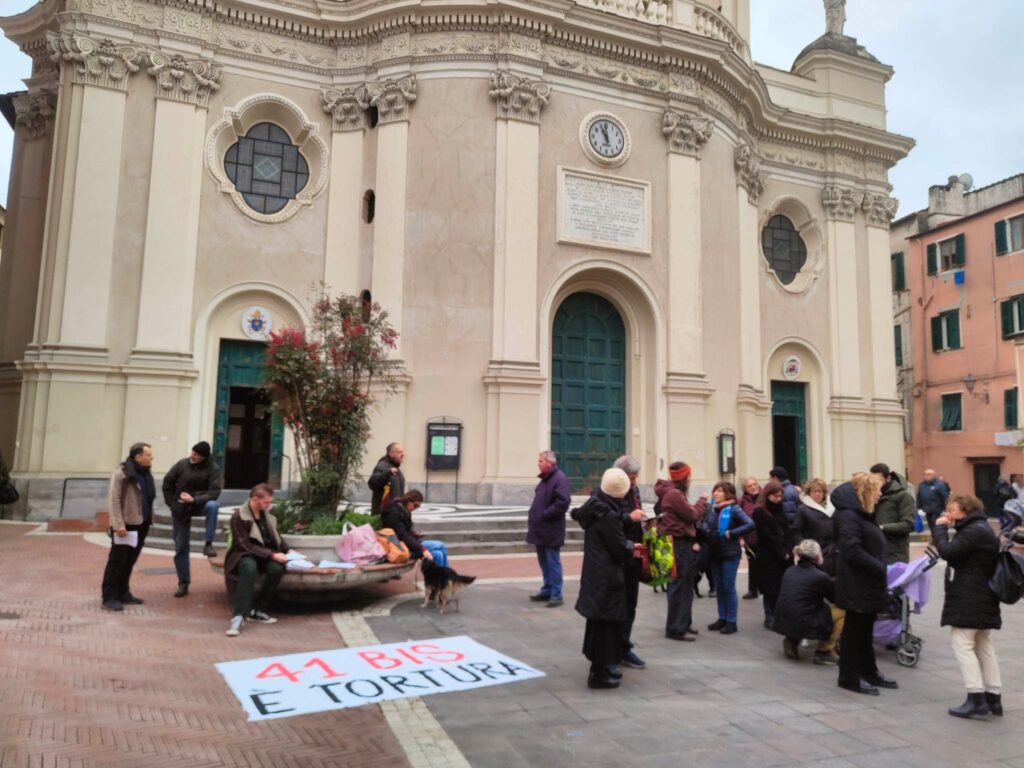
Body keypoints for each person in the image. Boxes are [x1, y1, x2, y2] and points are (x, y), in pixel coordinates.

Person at [933, 494, 1003, 718]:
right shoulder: (980, 528)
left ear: (966, 511)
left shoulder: (973, 531)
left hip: (970, 596)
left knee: (962, 643)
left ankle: (976, 698)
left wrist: (940, 529)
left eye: (952, 510)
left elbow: (948, 552)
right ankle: (993, 697)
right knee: (983, 644)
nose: (948, 514)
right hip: (982, 596)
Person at [832, 472, 896, 695]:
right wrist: (878, 567)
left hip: (867, 581)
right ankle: (849, 677)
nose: (880, 495)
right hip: (856, 582)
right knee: (854, 631)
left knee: (865, 630)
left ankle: (869, 672)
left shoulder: (862, 514)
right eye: (877, 490)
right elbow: (852, 549)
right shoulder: (848, 516)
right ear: (866, 492)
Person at [572, 467, 635, 689]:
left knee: (598, 623)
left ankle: (603, 667)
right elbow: (618, 547)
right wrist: (632, 546)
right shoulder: (608, 515)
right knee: (606, 626)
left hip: (594, 573)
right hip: (607, 577)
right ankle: (598, 674)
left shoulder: (594, 506)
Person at [224, 484, 297, 637]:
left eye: (270, 502)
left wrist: (288, 550)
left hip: (265, 553)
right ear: (255, 499)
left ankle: (259, 609)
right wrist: (272, 555)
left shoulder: (266, 515)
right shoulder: (238, 517)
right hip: (244, 554)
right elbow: (244, 545)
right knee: (249, 568)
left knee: (277, 568)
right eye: (266, 502)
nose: (269, 505)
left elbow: (275, 536)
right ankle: (239, 615)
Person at [162, 441, 223, 598]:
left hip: (198, 504)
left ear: (204, 457)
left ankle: (208, 543)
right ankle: (183, 582)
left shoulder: (213, 469)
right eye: (192, 452)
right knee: (181, 546)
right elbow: (167, 482)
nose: (193, 456)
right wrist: (172, 504)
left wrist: (194, 500)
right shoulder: (182, 464)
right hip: (180, 507)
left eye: (197, 455)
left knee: (213, 506)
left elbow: (214, 492)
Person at [101, 443, 157, 611]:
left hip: (142, 522)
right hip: (126, 525)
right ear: (138, 457)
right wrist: (118, 524)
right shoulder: (121, 473)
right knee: (117, 560)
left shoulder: (146, 473)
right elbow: (114, 500)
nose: (152, 458)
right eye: (148, 455)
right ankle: (109, 596)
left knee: (130, 560)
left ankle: (123, 592)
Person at [793, 478, 841, 664]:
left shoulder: (832, 508)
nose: (818, 495)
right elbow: (797, 532)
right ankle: (804, 635)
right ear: (809, 493)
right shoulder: (804, 510)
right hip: (814, 554)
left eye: (820, 491)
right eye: (814, 492)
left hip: (832, 555)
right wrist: (806, 549)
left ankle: (827, 638)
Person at [655, 462, 702, 641]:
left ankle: (684, 624)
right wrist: (702, 501)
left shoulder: (673, 493)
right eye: (689, 475)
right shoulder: (674, 494)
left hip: (680, 543)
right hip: (678, 544)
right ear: (685, 477)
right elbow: (692, 515)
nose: (691, 479)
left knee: (685, 585)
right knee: (679, 586)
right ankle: (675, 628)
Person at [703, 481, 754, 635]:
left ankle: (731, 621)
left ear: (728, 494)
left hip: (730, 553)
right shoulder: (712, 508)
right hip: (714, 552)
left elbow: (749, 524)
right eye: (715, 490)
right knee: (719, 587)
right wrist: (707, 531)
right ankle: (722, 618)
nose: (716, 493)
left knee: (728, 587)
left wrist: (731, 533)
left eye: (720, 491)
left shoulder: (734, 508)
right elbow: (705, 523)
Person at [772, 539, 835, 661]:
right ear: (817, 556)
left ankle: (792, 639)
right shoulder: (820, 576)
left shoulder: (790, 570)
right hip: (805, 620)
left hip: (782, 619)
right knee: (838, 611)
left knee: (803, 605)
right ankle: (825, 649)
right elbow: (835, 598)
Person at [612, 455, 648, 669]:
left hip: (634, 553)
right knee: (617, 605)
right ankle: (615, 648)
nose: (634, 482)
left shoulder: (634, 490)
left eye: (636, 477)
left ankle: (624, 645)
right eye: (632, 477)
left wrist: (645, 522)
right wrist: (628, 517)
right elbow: (607, 520)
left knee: (630, 603)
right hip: (618, 555)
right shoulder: (610, 492)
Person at [526, 450, 571, 608]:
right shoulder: (547, 479)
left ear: (550, 463)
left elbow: (563, 502)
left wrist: (545, 514)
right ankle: (547, 589)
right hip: (541, 528)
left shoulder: (559, 479)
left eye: (541, 461)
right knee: (544, 562)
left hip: (551, 528)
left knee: (552, 562)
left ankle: (556, 594)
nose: (538, 464)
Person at [752, 480, 794, 628]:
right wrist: (782, 552)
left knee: (780, 587)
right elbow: (766, 536)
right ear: (767, 495)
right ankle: (769, 616)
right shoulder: (760, 511)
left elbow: (787, 530)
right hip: (768, 555)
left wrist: (789, 549)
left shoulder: (780, 508)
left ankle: (778, 615)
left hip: (783, 554)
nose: (778, 499)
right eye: (775, 496)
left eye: (780, 496)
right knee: (770, 588)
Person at [380, 489, 448, 566]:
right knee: (440, 546)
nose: (415, 508)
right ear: (408, 500)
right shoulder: (393, 512)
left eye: (418, 507)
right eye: (415, 505)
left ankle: (443, 573)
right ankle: (442, 573)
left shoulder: (404, 510)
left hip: (408, 543)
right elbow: (401, 535)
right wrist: (422, 549)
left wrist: (414, 534)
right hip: (400, 547)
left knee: (438, 554)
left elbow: (404, 531)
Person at [870, 463, 915, 564]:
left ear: (888, 478)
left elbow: (909, 524)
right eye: (872, 480)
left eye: (879, 479)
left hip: (895, 551)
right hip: (875, 550)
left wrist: (882, 528)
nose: (875, 483)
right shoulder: (871, 496)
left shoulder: (903, 496)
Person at [368, 442, 405, 515]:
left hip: (393, 513)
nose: (403, 454)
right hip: (383, 514)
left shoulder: (395, 468)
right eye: (399, 452)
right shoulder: (382, 467)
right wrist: (387, 473)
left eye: (402, 452)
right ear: (391, 454)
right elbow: (372, 483)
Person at [739, 477, 761, 600]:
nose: (753, 487)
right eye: (749, 486)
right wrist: (741, 538)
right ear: (745, 489)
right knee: (752, 564)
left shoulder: (764, 497)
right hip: (750, 538)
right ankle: (752, 589)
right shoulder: (742, 501)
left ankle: (764, 587)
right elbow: (739, 520)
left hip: (764, 536)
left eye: (754, 484)